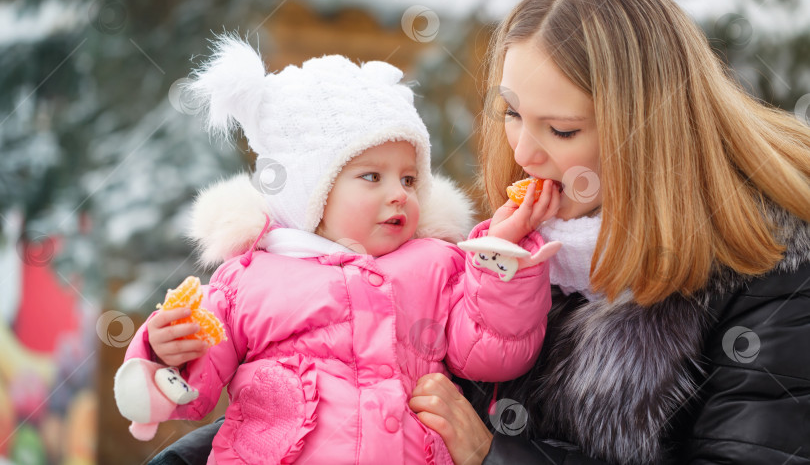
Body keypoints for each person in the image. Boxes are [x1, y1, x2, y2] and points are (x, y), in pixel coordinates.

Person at [407, 0, 810, 464]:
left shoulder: (775, 277)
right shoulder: (497, 252)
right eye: (512, 113)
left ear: (646, 132)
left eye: (562, 129)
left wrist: (494, 455)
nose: (525, 154)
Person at [114, 37, 564, 464]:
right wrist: (163, 353)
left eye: (409, 179)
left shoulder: (434, 264)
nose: (399, 194)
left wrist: (501, 255)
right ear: (313, 191)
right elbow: (195, 388)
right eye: (372, 177)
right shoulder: (246, 281)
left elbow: (492, 351)